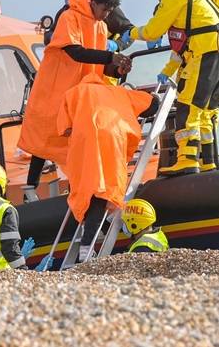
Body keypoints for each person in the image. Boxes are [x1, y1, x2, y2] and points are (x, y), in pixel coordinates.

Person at [19, 0, 132, 201]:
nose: (107, 15)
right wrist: (110, 57)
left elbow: (97, 65)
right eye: (105, 10)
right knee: (44, 136)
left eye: (110, 11)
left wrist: (117, 68)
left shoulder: (100, 26)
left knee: (78, 139)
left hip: (81, 92)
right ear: (95, 3)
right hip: (55, 87)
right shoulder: (69, 17)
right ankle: (30, 189)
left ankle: (77, 188)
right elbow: (75, 52)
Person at [122, 0, 219, 175]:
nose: (159, 0)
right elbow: (181, 47)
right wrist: (166, 72)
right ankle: (209, 161)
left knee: (187, 107)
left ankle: (187, 160)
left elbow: (152, 31)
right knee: (204, 111)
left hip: (207, 51)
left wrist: (132, 33)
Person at [57, 73, 157, 261]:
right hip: (112, 141)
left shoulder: (72, 93)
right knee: (105, 189)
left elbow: (64, 129)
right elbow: (151, 104)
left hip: (83, 146)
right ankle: (90, 243)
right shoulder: (118, 92)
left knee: (88, 190)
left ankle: (91, 238)